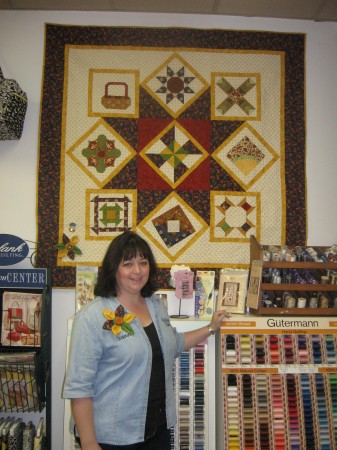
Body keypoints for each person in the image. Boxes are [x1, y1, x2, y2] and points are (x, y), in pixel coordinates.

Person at [63, 231, 230, 450]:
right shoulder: (92, 316)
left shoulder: (155, 305)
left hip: (158, 431)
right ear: (114, 269)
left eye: (143, 262)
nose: (137, 271)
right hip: (113, 437)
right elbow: (79, 387)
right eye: (128, 264)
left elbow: (175, 344)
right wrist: (89, 443)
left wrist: (210, 328)